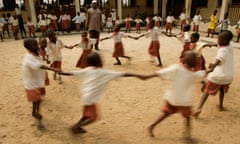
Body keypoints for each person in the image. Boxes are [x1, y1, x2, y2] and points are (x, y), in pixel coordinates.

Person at [58, 52, 143, 134]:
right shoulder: (104, 72)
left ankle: (78, 127)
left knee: (86, 115)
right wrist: (137, 75)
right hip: (91, 98)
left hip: (85, 96)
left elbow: (72, 73)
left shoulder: (88, 70)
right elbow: (123, 74)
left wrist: (61, 72)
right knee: (93, 117)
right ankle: (75, 127)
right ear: (100, 61)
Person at [143, 51, 206, 140]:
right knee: (187, 118)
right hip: (183, 102)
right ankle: (187, 137)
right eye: (196, 60)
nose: (197, 62)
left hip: (171, 98)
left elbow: (162, 72)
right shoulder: (191, 75)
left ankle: (152, 126)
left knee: (166, 113)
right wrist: (208, 71)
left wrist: (148, 76)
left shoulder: (176, 68)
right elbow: (200, 75)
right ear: (193, 63)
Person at [194, 30, 234, 117]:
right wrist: (210, 45)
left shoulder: (222, 51)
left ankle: (199, 108)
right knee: (221, 90)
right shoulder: (230, 46)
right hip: (228, 77)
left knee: (206, 92)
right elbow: (218, 45)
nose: (217, 40)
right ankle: (220, 106)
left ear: (224, 41)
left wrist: (213, 65)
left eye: (219, 39)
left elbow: (219, 60)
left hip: (218, 76)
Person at [22, 38, 60, 129]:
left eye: (37, 44)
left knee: (39, 98)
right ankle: (35, 114)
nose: (37, 46)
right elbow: (40, 65)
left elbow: (41, 58)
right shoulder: (29, 58)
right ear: (29, 48)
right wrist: (54, 69)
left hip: (37, 80)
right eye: (35, 45)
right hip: (31, 83)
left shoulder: (36, 53)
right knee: (37, 100)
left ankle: (35, 113)